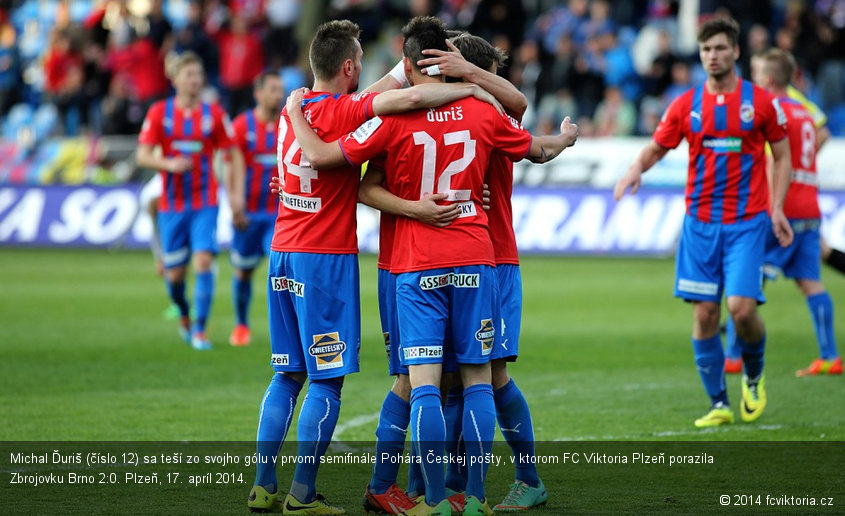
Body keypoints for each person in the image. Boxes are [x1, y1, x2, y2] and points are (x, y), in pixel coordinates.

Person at [285, 16, 578, 516]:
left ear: (407, 63)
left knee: (423, 381)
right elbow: (534, 144)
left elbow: (344, 173)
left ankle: (436, 494)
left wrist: (294, 110)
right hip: (470, 259)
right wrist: (565, 139)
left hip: (412, 267)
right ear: (445, 64)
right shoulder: (482, 113)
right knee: (474, 378)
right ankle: (463, 494)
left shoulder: (393, 119)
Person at [249, 19, 514, 515]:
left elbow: (374, 95)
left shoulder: (296, 110)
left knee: (286, 375)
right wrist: (466, 82)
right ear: (349, 66)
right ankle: (302, 495)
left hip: (282, 250)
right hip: (323, 260)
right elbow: (406, 97)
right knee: (326, 380)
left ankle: (263, 486)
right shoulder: (348, 110)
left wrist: (415, 53)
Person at [614, 17, 794, 428]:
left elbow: (781, 156)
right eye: (706, 50)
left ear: (736, 52)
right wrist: (634, 169)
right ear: (700, 55)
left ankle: (753, 375)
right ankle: (719, 403)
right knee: (705, 316)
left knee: (742, 310)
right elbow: (657, 147)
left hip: (747, 223)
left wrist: (778, 207)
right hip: (699, 224)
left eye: (719, 48)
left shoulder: (761, 103)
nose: (713, 56)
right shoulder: (685, 105)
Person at [416, 33, 548, 511]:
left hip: (493, 259)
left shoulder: (492, 111)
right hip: (453, 257)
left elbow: (522, 112)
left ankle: (526, 479)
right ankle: (449, 486)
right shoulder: (452, 112)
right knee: (450, 376)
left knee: (487, 377)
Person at [723, 49, 844, 373]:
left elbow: (764, 157)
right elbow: (816, 139)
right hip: (809, 206)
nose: (755, 79)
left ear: (770, 79)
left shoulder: (770, 110)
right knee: (811, 283)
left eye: (760, 74)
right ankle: (830, 357)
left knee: (747, 277)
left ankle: (733, 356)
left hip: (780, 205)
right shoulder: (804, 112)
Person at [137, 51, 247, 351]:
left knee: (203, 260)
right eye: (189, 74)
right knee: (174, 276)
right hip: (172, 205)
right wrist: (168, 165)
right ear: (174, 78)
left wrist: (235, 194)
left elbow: (232, 151)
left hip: (205, 201)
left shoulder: (213, 113)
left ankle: (200, 330)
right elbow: (142, 154)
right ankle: (184, 314)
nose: (195, 80)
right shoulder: (160, 112)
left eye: (198, 74)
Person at [227, 71, 284, 347]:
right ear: (258, 94)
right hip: (248, 213)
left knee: (279, 268)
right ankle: (241, 324)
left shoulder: (289, 124)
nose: (278, 95)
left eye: (280, 90)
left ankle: (284, 331)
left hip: (279, 214)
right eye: (272, 89)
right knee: (243, 272)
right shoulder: (241, 126)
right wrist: (234, 202)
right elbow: (230, 165)